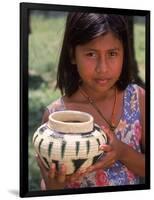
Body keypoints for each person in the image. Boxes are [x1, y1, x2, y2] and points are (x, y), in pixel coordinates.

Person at [36, 12, 145, 190]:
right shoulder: (57, 116)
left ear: (124, 53)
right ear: (72, 55)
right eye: (91, 54)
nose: (102, 68)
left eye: (112, 53)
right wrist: (52, 185)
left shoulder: (137, 99)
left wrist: (122, 152)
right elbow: (50, 184)